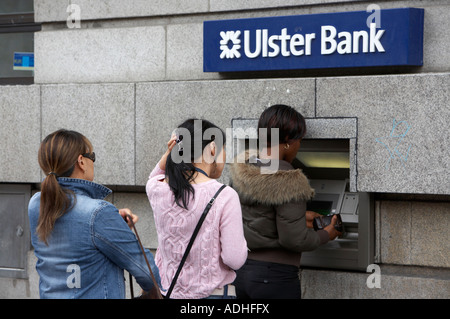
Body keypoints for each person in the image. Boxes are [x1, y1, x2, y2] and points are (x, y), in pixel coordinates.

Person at [28, 129, 160, 299]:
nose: (93, 161)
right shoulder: (99, 213)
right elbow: (147, 271)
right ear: (81, 161)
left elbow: (73, 229)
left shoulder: (36, 204)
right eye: (93, 156)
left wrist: (112, 222)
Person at [230, 104, 341, 299]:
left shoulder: (242, 172)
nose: (300, 145)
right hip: (275, 278)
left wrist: (299, 216)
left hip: (242, 274)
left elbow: (255, 216)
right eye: (300, 139)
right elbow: (293, 239)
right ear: (288, 141)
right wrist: (327, 234)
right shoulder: (289, 178)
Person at [146, 118, 247, 299]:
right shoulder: (224, 195)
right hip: (212, 295)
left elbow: (155, 176)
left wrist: (168, 154)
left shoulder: (157, 188)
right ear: (213, 149)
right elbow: (234, 259)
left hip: (168, 292)